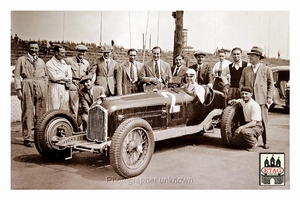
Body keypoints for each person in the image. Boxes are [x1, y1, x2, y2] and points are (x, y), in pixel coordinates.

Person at [14, 41, 48, 147]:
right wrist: (19, 89)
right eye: (32, 48)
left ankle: (38, 137)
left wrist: (44, 86)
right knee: (27, 112)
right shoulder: (21, 60)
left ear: (38, 49)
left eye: (36, 48)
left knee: (41, 113)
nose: (34, 50)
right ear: (28, 48)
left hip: (40, 86)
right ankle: (27, 138)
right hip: (27, 86)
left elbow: (46, 75)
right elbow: (16, 76)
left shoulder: (41, 61)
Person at [239, 46, 274, 149]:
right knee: (250, 121)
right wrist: (244, 93)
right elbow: (240, 83)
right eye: (250, 55)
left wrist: (269, 97)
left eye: (252, 56)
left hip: (262, 99)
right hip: (249, 100)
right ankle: (253, 141)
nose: (250, 57)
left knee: (263, 121)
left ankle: (266, 141)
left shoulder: (266, 69)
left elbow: (271, 84)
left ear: (258, 57)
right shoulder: (246, 70)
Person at [228, 86, 264, 152]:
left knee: (244, 131)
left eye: (246, 94)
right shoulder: (243, 101)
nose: (244, 96)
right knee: (233, 141)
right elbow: (237, 101)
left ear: (251, 94)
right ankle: (248, 142)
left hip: (257, 126)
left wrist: (240, 127)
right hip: (248, 125)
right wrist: (233, 101)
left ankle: (253, 142)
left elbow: (254, 122)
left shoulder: (254, 105)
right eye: (243, 94)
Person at [65, 44, 90, 121]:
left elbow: (88, 75)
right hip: (73, 85)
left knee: (83, 107)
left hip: (82, 86)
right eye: (80, 51)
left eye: (83, 52)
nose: (82, 53)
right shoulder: (69, 61)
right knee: (73, 107)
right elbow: (65, 73)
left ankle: (81, 126)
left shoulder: (86, 63)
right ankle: (73, 126)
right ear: (76, 51)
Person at [46, 45, 72, 111]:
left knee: (64, 109)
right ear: (56, 53)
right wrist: (64, 75)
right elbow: (54, 77)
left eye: (64, 53)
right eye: (62, 53)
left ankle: (62, 121)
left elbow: (69, 77)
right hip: (54, 87)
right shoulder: (49, 64)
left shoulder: (65, 63)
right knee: (54, 108)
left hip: (64, 87)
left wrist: (60, 77)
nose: (64, 55)